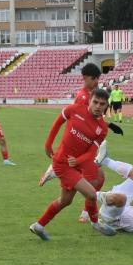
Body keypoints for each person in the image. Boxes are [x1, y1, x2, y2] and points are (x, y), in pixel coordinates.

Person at [29, 89, 116, 241]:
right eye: (95, 102)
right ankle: (95, 223)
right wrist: (48, 144)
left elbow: (92, 152)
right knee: (91, 193)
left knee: (65, 201)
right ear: (89, 100)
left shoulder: (102, 128)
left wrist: (78, 161)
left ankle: (39, 225)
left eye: (102, 104)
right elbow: (57, 123)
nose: (98, 106)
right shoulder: (74, 109)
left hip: (75, 165)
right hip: (62, 163)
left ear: (106, 106)